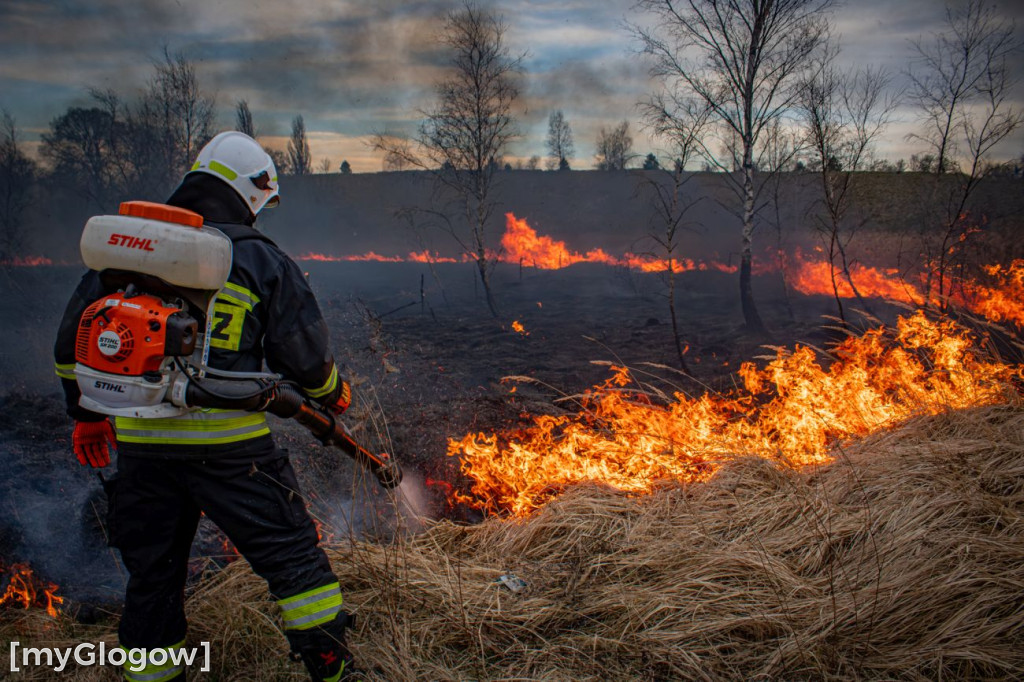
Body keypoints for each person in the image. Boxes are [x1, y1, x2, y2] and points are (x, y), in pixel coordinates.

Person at [54, 131, 356, 682]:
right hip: (231, 451)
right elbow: (305, 359)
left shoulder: (126, 251)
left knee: (153, 579)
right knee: (293, 560)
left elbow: (73, 343)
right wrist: (331, 394)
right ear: (249, 193)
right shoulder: (261, 259)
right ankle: (332, 666)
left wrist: (88, 415)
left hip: (142, 450)